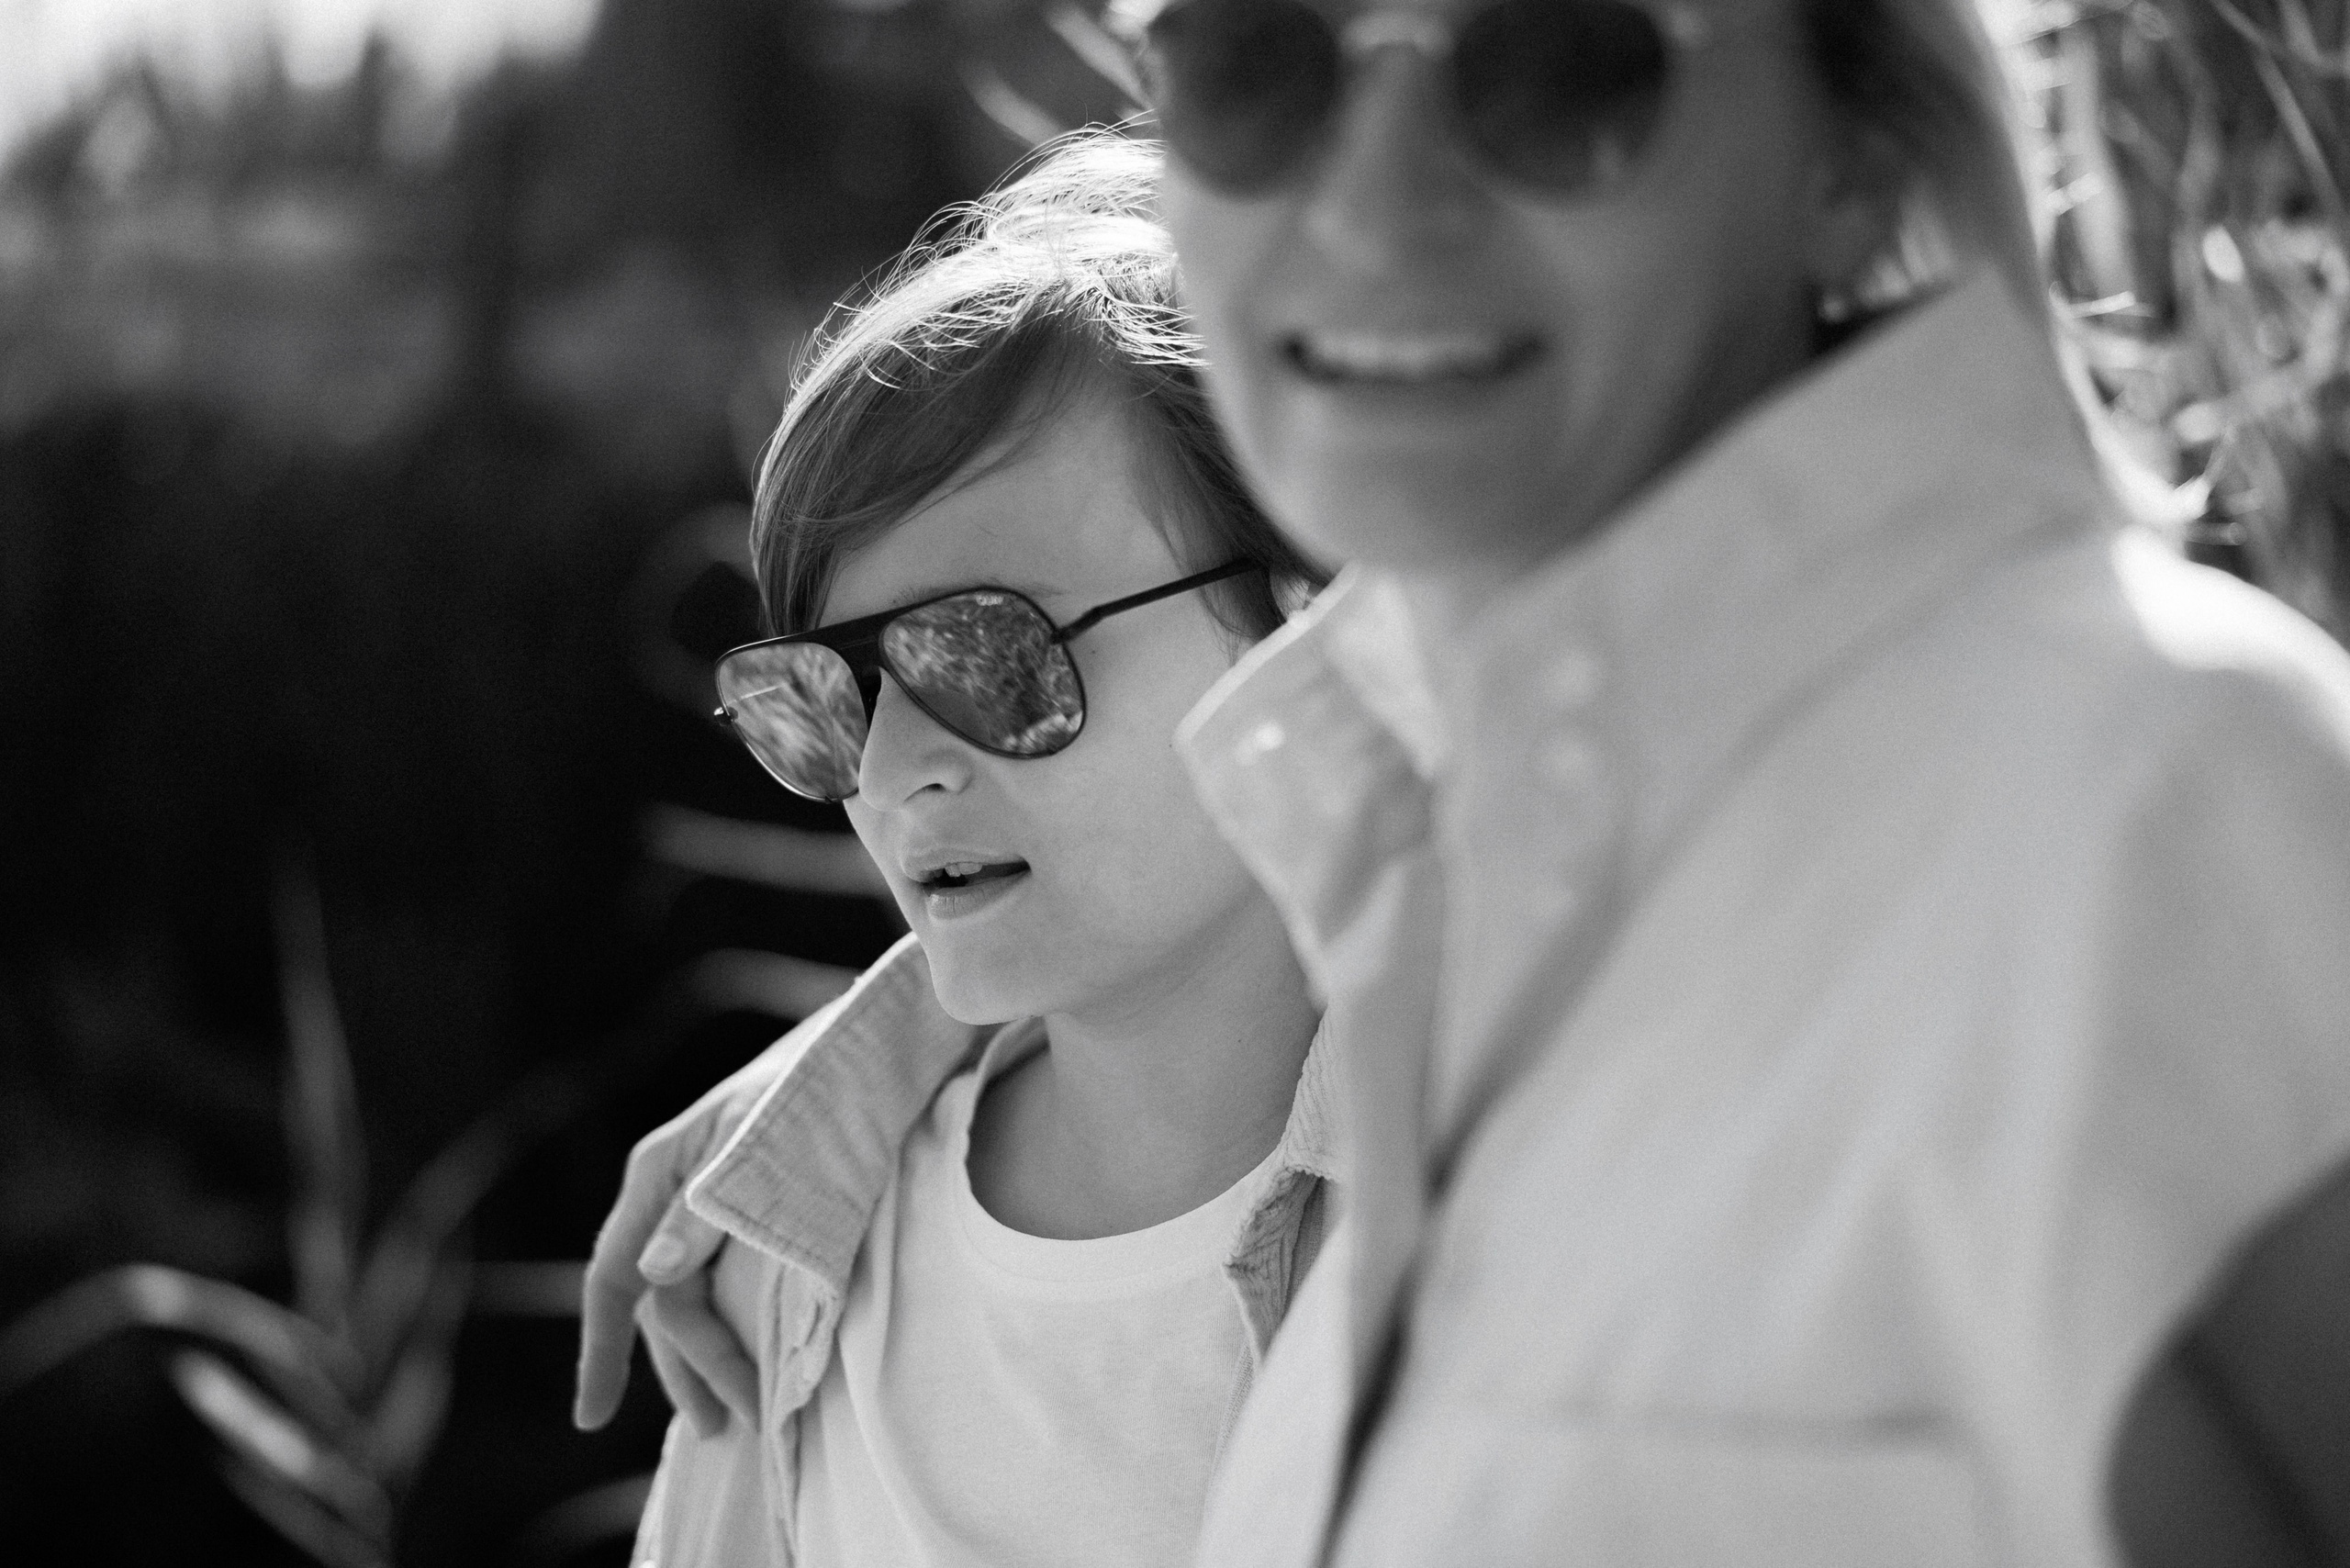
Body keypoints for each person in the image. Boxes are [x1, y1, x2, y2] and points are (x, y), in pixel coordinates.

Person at [1135, 0, 2350, 1564]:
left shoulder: (2171, 801)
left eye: (1562, 68)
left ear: (1852, 153)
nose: (1374, 204)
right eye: (1248, 62)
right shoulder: (1435, 879)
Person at [575, 135, 1333, 1568]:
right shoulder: (780, 1276)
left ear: (1300, 625)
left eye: (987, 652)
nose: (896, 766)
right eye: (825, 695)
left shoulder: (1531, 1202)